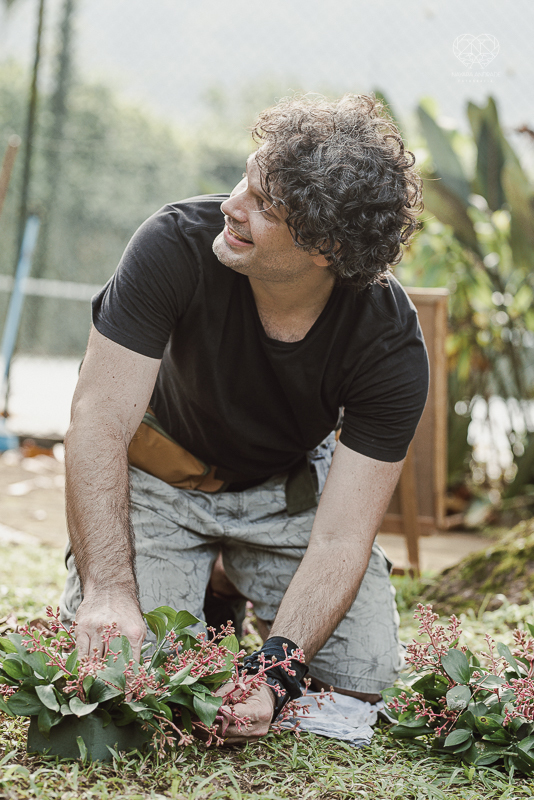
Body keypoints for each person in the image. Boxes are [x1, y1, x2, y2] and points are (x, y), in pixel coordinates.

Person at [60, 93, 429, 743]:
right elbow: (97, 422)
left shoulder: (390, 344)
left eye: (263, 205)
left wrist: (275, 671)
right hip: (159, 478)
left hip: (281, 488)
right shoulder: (172, 243)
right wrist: (110, 591)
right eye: (246, 178)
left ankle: (226, 572)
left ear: (326, 247)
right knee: (140, 680)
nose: (232, 204)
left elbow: (344, 538)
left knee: (361, 678)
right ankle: (202, 573)